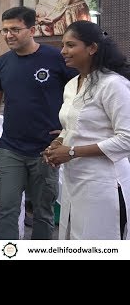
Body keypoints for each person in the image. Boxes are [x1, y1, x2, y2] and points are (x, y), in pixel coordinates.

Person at [0, 6, 78, 240]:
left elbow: (79, 95)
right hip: (11, 148)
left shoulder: (55, 58)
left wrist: (68, 129)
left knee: (43, 212)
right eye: (4, 30)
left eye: (15, 29)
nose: (8, 35)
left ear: (32, 30)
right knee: (6, 209)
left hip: (47, 149)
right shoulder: (3, 62)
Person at [44, 20, 130, 239]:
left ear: (92, 48)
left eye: (71, 45)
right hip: (75, 179)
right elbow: (72, 126)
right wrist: (59, 143)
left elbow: (127, 139)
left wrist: (72, 152)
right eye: (63, 45)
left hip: (104, 183)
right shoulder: (72, 84)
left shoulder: (113, 84)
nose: (63, 51)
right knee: (76, 238)